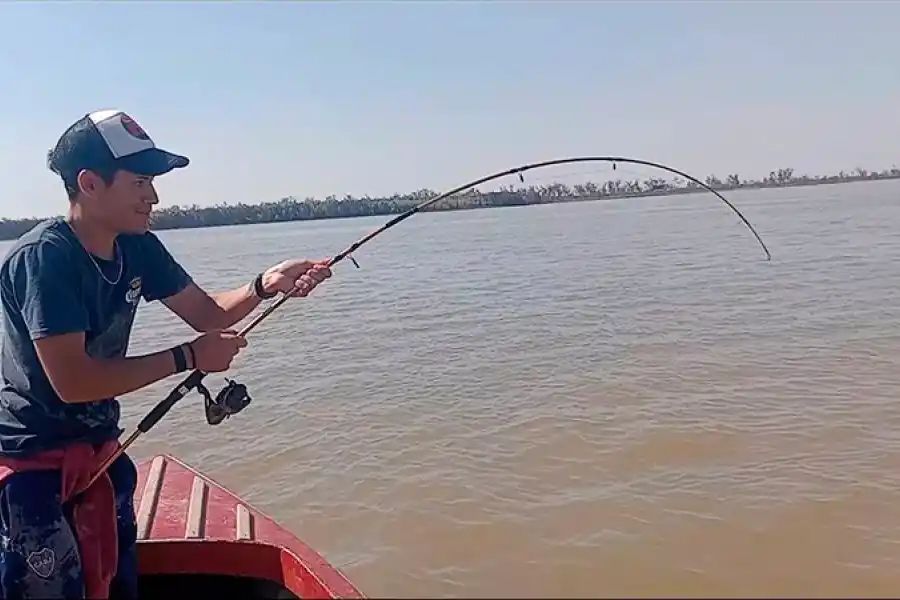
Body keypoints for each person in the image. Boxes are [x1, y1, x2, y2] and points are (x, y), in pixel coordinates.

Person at [0, 109, 332, 599]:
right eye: (139, 182)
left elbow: (209, 313)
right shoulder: (45, 258)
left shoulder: (140, 248)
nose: (153, 196)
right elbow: (73, 381)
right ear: (89, 183)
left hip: (101, 448)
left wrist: (265, 285)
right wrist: (187, 358)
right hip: (31, 461)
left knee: (119, 584)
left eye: (152, 181)